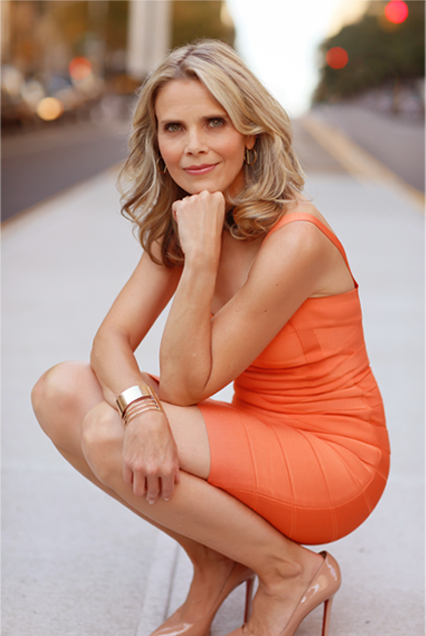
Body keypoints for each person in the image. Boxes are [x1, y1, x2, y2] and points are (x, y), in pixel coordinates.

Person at [31, 39, 390, 636]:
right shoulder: (192, 216)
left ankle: (289, 572)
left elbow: (185, 385)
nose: (193, 144)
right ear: (156, 141)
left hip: (334, 461)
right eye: (174, 127)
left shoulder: (296, 238)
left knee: (107, 431)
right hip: (258, 435)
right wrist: (142, 411)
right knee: (61, 391)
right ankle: (218, 558)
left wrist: (200, 260)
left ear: (250, 132)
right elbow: (110, 340)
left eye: (214, 122)